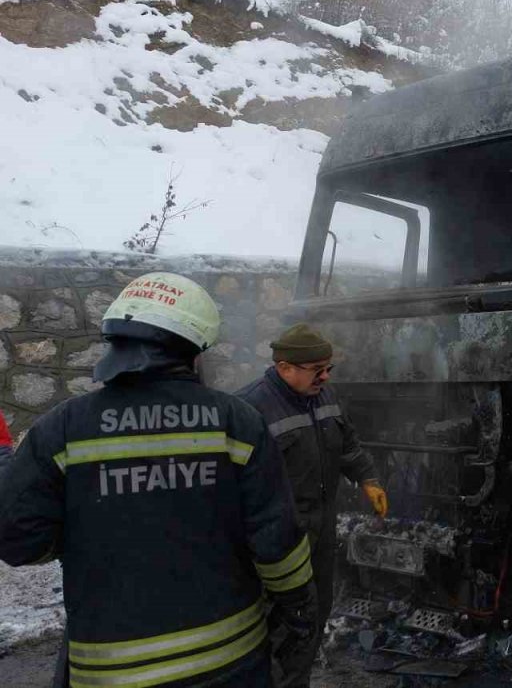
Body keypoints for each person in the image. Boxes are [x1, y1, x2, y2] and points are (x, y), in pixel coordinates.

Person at [0, 272, 317, 687]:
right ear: (193, 351)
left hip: (111, 670)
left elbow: (15, 538)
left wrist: (84, 533)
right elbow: (277, 541)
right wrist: (299, 607)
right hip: (230, 659)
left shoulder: (62, 427)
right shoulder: (236, 421)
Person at [236, 323, 387, 686]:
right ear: (284, 367)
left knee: (316, 611)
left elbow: (348, 445)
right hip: (279, 537)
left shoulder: (325, 396)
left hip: (321, 529)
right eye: (317, 369)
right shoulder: (248, 408)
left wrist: (368, 478)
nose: (326, 376)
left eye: (328, 368)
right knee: (280, 619)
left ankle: (297, 679)